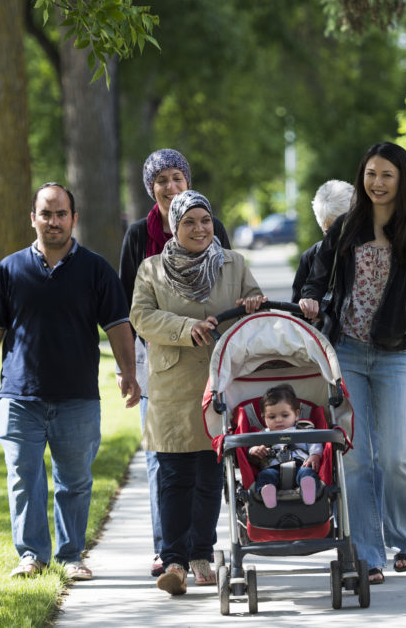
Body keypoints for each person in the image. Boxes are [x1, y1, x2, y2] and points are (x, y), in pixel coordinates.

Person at [0, 182, 141, 581]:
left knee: (74, 482)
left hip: (77, 397)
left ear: (73, 218)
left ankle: (70, 556)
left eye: (61, 213)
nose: (53, 221)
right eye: (45, 214)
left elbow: (118, 325)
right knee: (23, 480)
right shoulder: (9, 270)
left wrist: (128, 372)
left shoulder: (95, 269)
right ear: (33, 219)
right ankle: (32, 555)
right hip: (19, 394)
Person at [297, 142, 406, 586]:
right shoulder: (343, 229)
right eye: (371, 174)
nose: (377, 183)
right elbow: (317, 277)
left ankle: (402, 540)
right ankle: (368, 555)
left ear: (402, 182)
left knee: (396, 456)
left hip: (396, 357)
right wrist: (312, 299)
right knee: (357, 458)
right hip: (350, 355)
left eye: (386, 176)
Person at [130, 190, 266, 595]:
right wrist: (184, 328)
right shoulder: (151, 269)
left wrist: (253, 303)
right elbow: (141, 316)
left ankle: (201, 555)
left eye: (205, 220)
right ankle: (172, 560)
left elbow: (254, 304)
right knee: (173, 476)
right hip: (173, 384)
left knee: (211, 475)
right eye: (189, 221)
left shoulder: (233, 263)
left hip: (221, 382)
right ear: (174, 225)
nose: (200, 228)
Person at [117, 149, 233, 577]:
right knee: (164, 462)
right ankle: (169, 553)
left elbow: (232, 292)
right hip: (159, 363)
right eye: (161, 180)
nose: (170, 186)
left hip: (212, 365)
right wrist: (126, 369)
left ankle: (197, 550)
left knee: (209, 465)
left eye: (177, 177)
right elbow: (131, 308)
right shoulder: (140, 242)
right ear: (152, 188)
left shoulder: (212, 229)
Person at [247, 383, 323, 508]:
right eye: (272, 416)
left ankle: (308, 488)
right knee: (265, 476)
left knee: (307, 473)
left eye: (285, 415)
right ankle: (268, 491)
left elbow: (315, 442)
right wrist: (255, 450)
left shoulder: (303, 429)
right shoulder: (262, 435)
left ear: (297, 414)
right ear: (264, 418)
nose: (278, 420)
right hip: (272, 468)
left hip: (300, 464)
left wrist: (314, 455)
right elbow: (250, 448)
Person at [291, 179, 354, 303]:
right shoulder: (310, 256)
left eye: (345, 229)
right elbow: (297, 314)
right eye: (332, 232)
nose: (338, 239)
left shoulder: (374, 251)